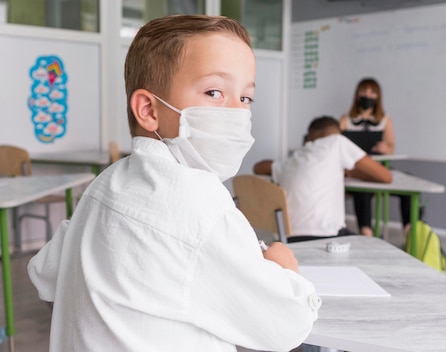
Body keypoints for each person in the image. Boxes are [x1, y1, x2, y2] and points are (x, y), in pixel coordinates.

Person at [27, 15, 320, 352]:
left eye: (245, 98)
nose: (236, 113)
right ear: (149, 109)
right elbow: (286, 325)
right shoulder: (200, 203)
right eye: (214, 92)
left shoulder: (105, 183)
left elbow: (44, 274)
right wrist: (286, 269)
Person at [253, 116, 392, 243]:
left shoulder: (296, 157)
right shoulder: (337, 141)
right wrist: (352, 173)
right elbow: (385, 176)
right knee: (370, 246)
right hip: (326, 236)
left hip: (288, 238)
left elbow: (258, 167)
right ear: (336, 132)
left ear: (309, 136)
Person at [339, 77, 412, 237]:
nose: (367, 96)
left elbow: (391, 146)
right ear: (357, 95)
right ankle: (367, 233)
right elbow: (336, 144)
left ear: (378, 97)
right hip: (356, 171)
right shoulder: (345, 120)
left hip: (378, 169)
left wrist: (386, 148)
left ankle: (410, 232)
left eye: (372, 93)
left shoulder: (385, 120)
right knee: (362, 189)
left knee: (408, 187)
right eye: (364, 92)